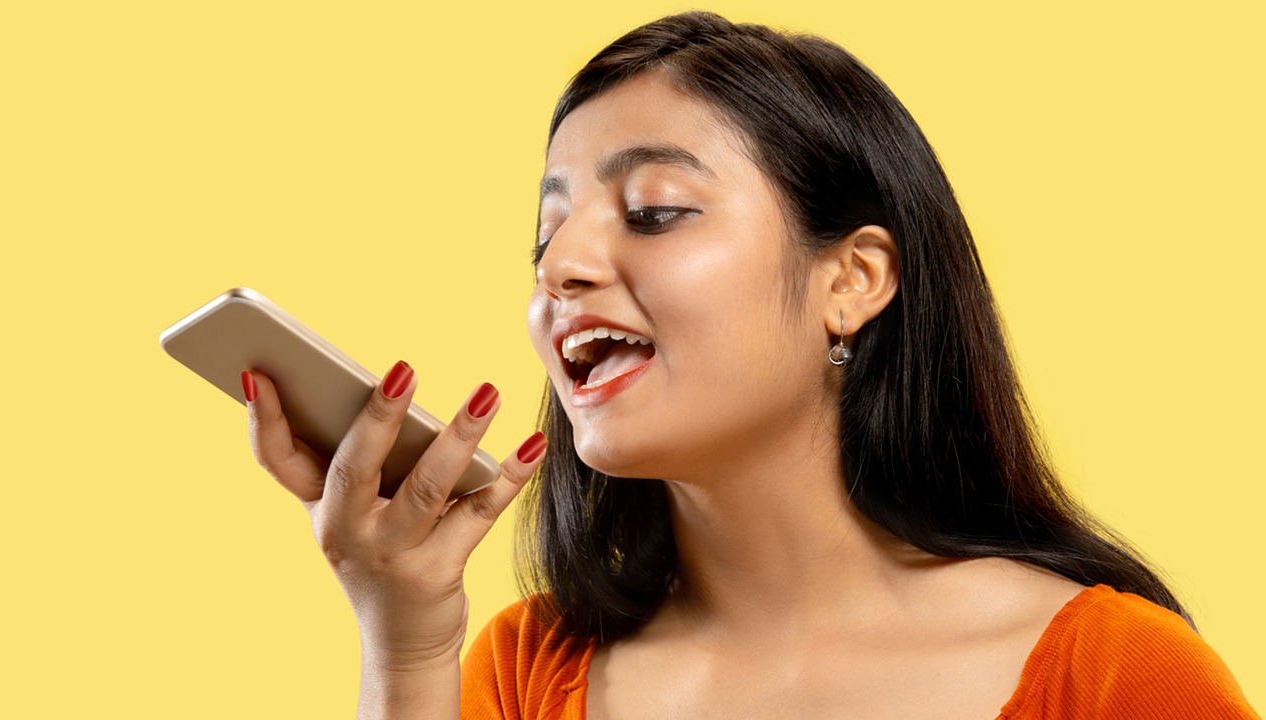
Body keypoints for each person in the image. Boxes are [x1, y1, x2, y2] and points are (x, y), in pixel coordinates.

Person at [240, 11, 1259, 720]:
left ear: (852, 280)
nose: (563, 268)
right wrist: (405, 644)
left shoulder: (1110, 672)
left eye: (654, 213)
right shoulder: (524, 673)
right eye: (543, 238)